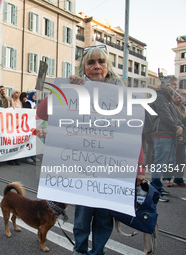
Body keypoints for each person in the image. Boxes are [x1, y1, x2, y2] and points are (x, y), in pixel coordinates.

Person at [38, 45, 145, 255]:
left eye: (101, 62)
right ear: (84, 68)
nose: (97, 66)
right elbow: (42, 112)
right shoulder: (74, 89)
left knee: (105, 219)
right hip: (83, 169)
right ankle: (79, 249)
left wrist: (139, 168)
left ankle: (98, 252)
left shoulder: (121, 94)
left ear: (108, 66)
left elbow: (133, 132)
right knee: (82, 217)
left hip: (112, 170)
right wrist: (67, 88)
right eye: (91, 62)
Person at [150, 76, 183, 201]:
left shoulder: (167, 99)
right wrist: (176, 128)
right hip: (162, 133)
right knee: (160, 163)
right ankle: (155, 190)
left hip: (167, 133)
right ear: (165, 84)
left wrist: (180, 127)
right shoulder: (160, 97)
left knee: (164, 163)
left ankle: (157, 188)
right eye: (173, 84)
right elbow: (165, 114)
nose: (175, 87)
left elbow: (175, 116)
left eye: (176, 85)